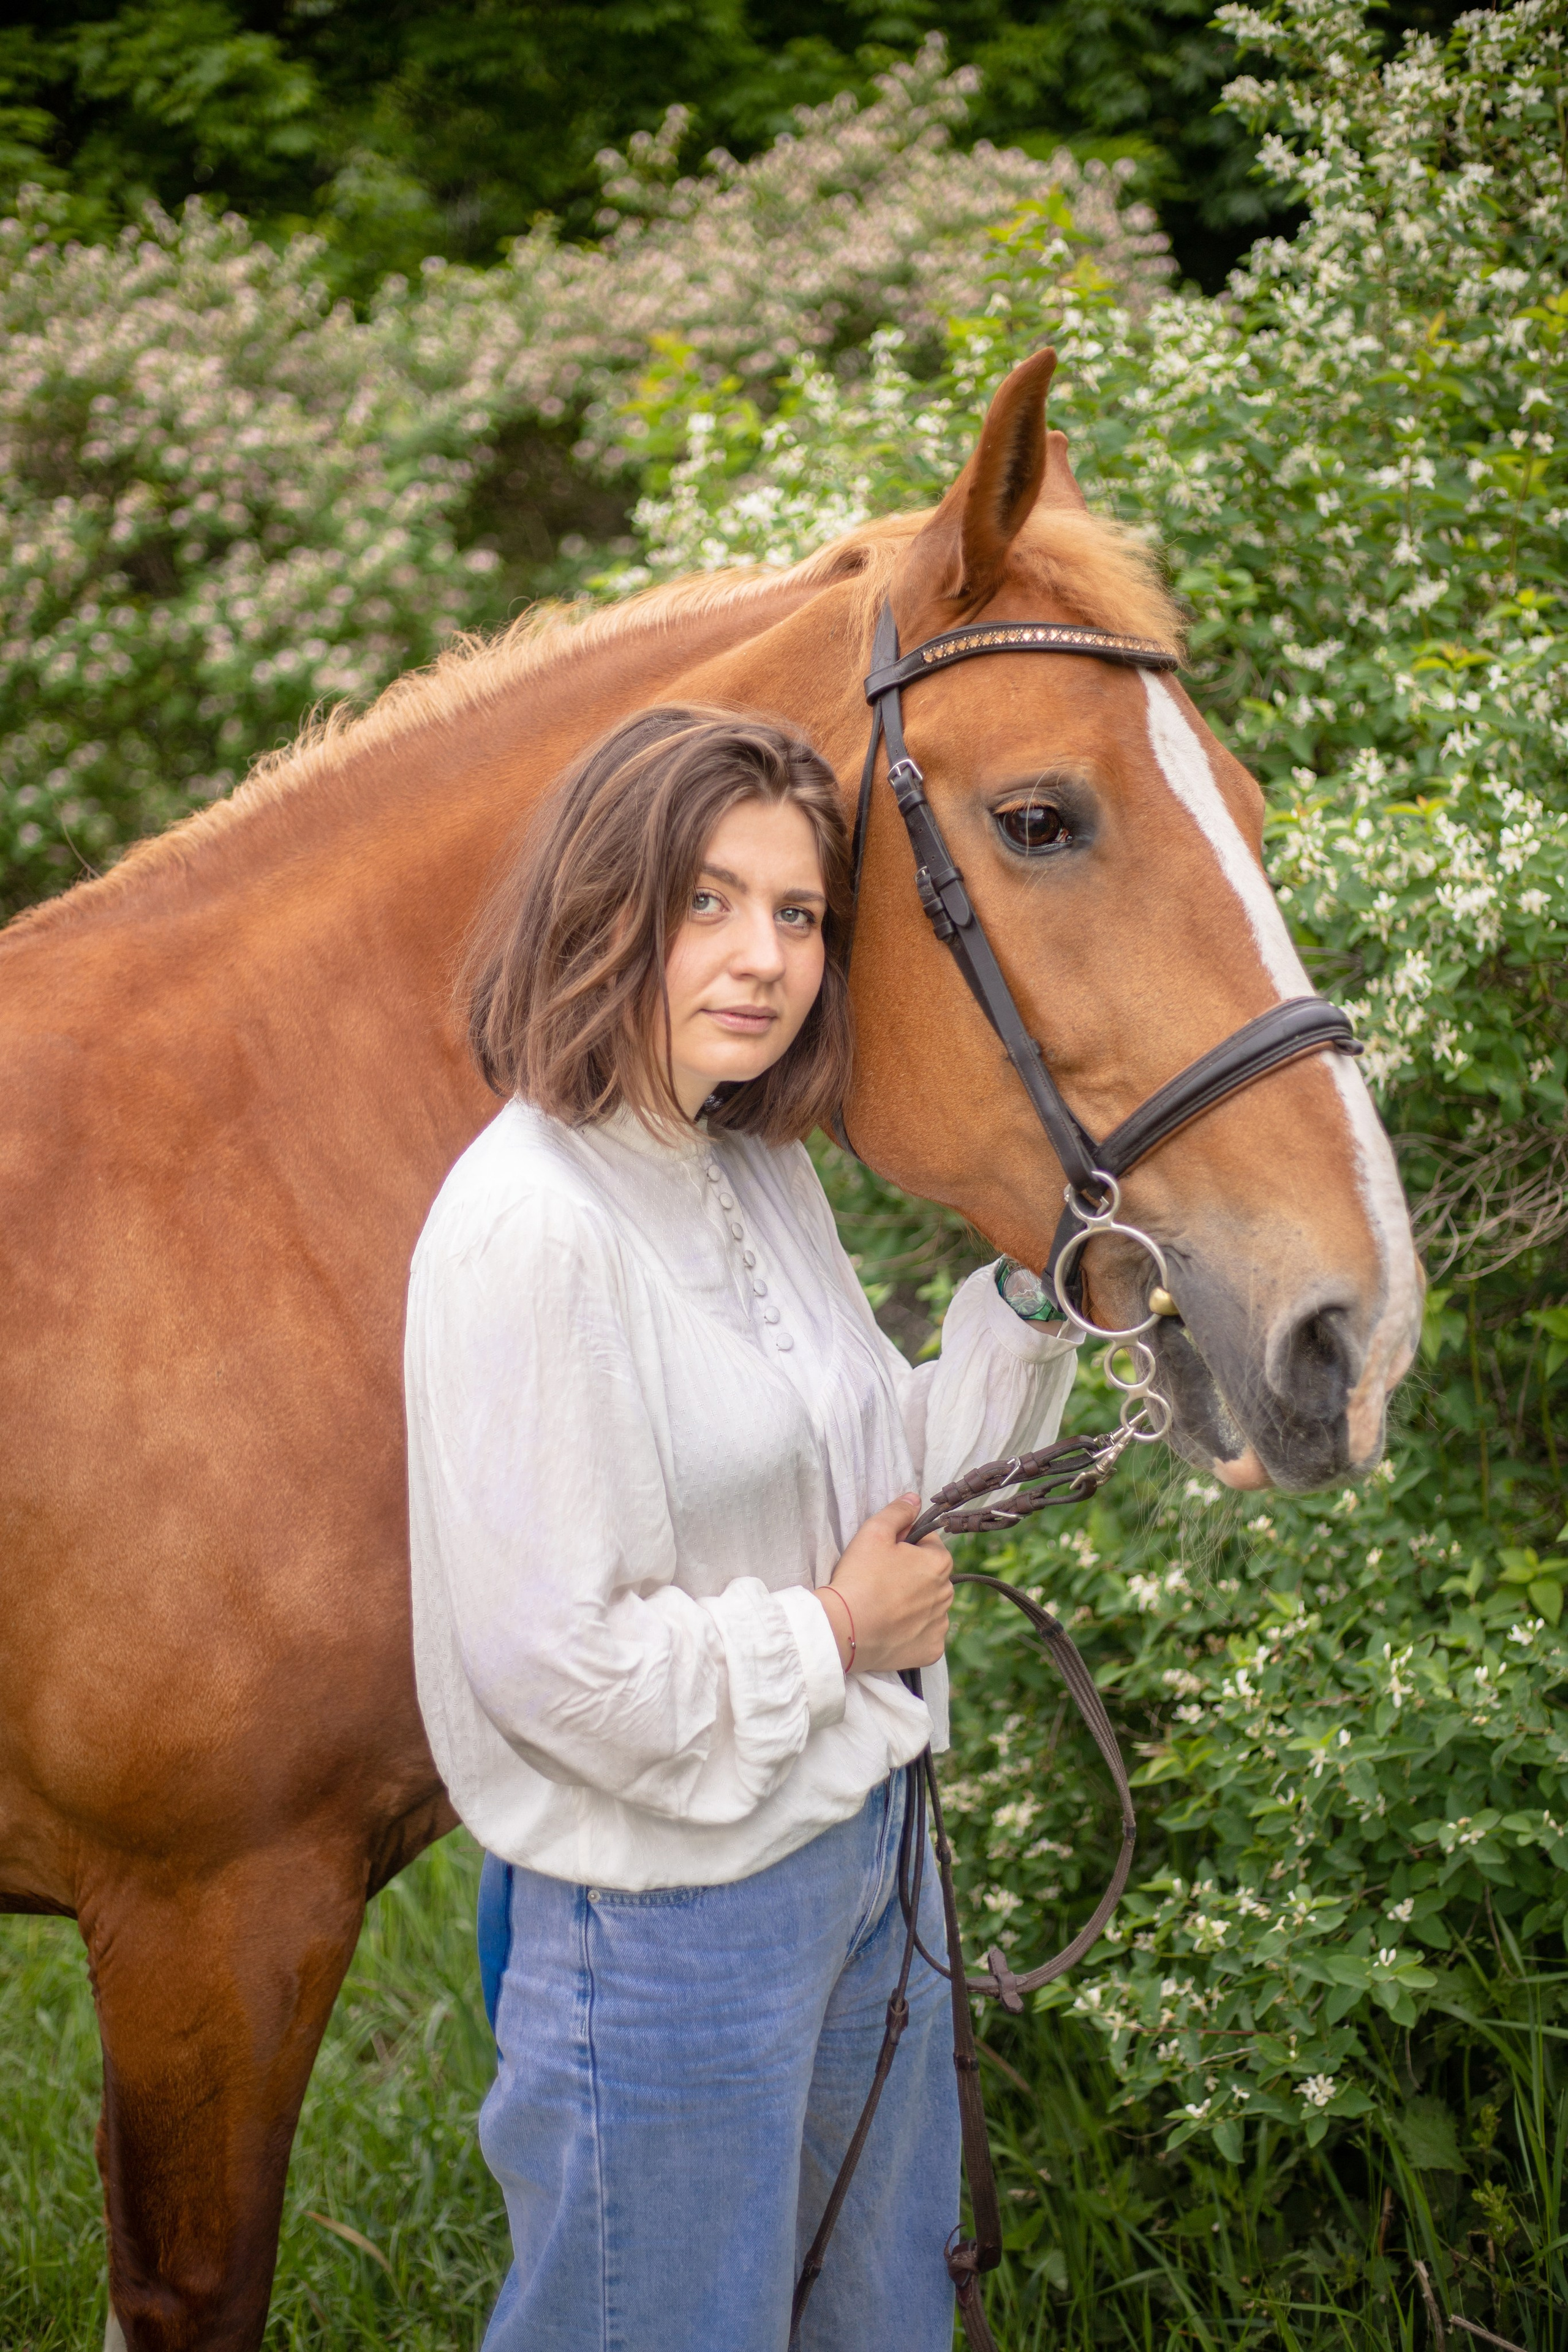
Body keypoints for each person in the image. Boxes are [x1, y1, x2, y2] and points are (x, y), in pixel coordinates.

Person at [404, 705, 1079, 2352]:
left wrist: (1054, 1291)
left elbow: (877, 1470)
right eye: (708, 902)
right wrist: (837, 1635)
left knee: (877, 2327)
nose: (762, 957)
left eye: (795, 915)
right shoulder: (529, 1227)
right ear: (600, 907)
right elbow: (552, 1668)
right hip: (672, 1928)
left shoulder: (750, 1169)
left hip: (863, 1858)